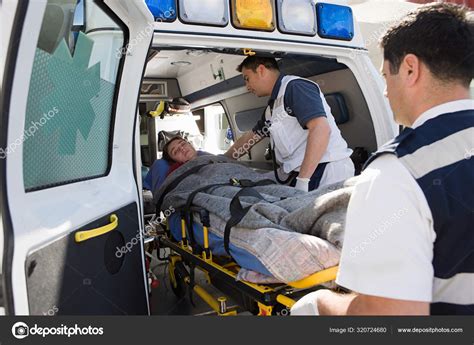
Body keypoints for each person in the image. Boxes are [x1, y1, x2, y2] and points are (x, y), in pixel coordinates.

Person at [291, 3, 474, 315]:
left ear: (410, 69)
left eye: (385, 75)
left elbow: (390, 316)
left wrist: (318, 305)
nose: (386, 92)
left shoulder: (399, 171)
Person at [224, 56, 354, 192]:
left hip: (326, 171)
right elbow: (252, 137)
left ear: (261, 70)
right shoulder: (272, 109)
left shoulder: (295, 87)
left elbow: (320, 129)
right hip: (302, 172)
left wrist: (303, 180)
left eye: (247, 78)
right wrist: (224, 159)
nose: (247, 87)